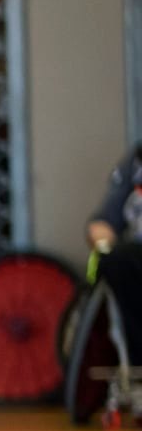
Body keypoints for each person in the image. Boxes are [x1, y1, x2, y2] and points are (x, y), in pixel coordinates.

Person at [86, 142, 142, 340]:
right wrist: (103, 246)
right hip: (136, 258)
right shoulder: (136, 162)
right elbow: (104, 222)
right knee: (116, 260)